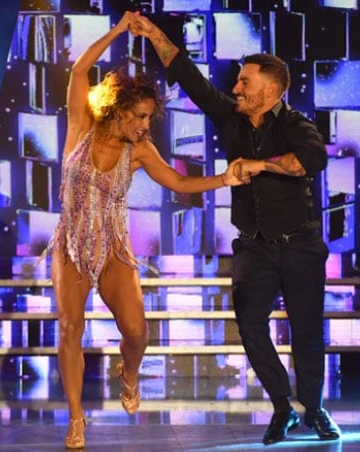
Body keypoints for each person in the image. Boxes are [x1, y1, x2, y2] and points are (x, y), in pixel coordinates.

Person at [130, 12, 340, 445]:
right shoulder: (232, 118)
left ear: (271, 90)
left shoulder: (297, 126)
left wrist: (259, 164)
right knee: (249, 324)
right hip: (253, 248)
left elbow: (310, 161)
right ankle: (282, 406)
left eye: (245, 83)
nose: (236, 88)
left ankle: (314, 407)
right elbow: (189, 77)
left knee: (306, 332)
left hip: (301, 246)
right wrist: (153, 33)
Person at [52, 11, 245, 449]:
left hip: (114, 247)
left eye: (148, 117)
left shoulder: (140, 150)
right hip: (71, 244)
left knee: (137, 333)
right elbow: (81, 70)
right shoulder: (81, 126)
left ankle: (130, 370)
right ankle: (77, 419)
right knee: (70, 328)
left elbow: (178, 183)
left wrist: (224, 179)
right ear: (117, 110)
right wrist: (119, 30)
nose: (144, 124)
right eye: (138, 115)